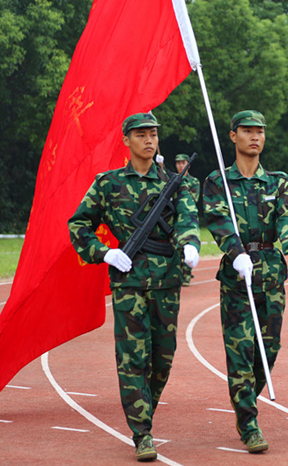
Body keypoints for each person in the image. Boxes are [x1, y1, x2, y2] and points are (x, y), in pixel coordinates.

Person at [68, 113, 200, 462]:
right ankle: (142, 433)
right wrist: (104, 253)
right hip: (128, 282)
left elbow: (187, 217)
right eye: (141, 135)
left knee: (163, 359)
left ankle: (145, 413)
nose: (149, 140)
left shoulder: (175, 182)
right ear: (126, 140)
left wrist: (190, 242)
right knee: (133, 359)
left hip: (166, 282)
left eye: (153, 134)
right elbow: (79, 224)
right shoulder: (108, 184)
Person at [202, 110, 288, 454]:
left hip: (271, 276)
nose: (254, 137)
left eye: (259, 131)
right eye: (247, 131)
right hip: (238, 277)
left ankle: (246, 399)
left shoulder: (278, 182)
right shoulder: (218, 181)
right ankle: (248, 422)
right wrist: (236, 253)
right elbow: (218, 218)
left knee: (268, 351)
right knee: (241, 352)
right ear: (233, 136)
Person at [174, 153, 201, 285]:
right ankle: (178, 274)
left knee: (188, 245)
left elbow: (194, 199)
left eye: (183, 163)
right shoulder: (172, 179)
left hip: (188, 217)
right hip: (175, 217)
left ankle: (186, 275)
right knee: (176, 247)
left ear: (188, 165)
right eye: (178, 163)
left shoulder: (194, 182)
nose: (180, 165)